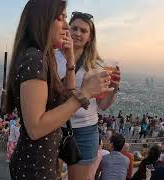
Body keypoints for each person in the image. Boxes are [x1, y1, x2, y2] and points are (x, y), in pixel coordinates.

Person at [5, 0, 113, 179]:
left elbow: (65, 94)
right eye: (61, 18)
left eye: (65, 18)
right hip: (36, 162)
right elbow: (36, 127)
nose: (66, 27)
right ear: (44, 20)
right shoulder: (36, 58)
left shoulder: (40, 56)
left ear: (90, 37)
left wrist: (70, 57)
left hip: (44, 154)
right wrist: (85, 93)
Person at [56, 11, 121, 180]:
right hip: (55, 125)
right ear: (67, 30)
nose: (77, 33)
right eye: (74, 28)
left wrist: (114, 88)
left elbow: (102, 105)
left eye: (83, 31)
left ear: (90, 37)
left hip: (85, 129)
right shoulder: (52, 58)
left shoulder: (97, 65)